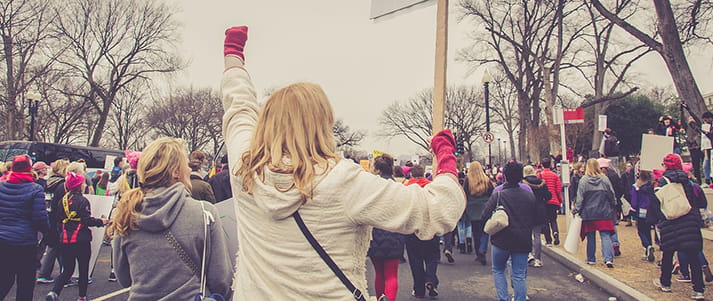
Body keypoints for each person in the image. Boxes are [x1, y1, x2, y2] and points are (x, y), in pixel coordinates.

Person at [221, 26, 465, 301]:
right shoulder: (342, 181)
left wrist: (234, 59)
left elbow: (238, 108)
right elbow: (440, 211)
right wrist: (445, 156)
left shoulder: (245, 171)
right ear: (323, 125)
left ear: (265, 123)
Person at [110, 137, 233, 300]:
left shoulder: (127, 213)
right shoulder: (204, 213)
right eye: (185, 165)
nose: (189, 170)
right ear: (175, 171)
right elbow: (221, 280)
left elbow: (124, 279)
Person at [45, 172, 109, 301]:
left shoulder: (63, 200)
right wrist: (100, 222)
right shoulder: (83, 201)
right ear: (79, 186)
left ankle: (54, 292)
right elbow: (86, 220)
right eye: (83, 183)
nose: (85, 184)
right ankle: (82, 296)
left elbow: (59, 219)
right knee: (83, 269)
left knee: (67, 269)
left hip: (65, 238)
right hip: (81, 239)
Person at [651, 154, 706, 300]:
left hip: (671, 220)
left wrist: (659, 219)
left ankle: (666, 283)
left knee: (668, 254)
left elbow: (656, 202)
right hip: (689, 220)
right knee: (693, 255)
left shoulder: (662, 181)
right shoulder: (688, 180)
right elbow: (696, 200)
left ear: (666, 166)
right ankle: (698, 289)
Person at [482, 161, 537, 301]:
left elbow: (484, 215)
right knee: (519, 274)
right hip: (523, 239)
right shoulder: (529, 195)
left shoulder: (498, 195)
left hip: (502, 239)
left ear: (504, 176)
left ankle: (503, 298)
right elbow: (537, 218)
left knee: (498, 270)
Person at [0, 155, 50, 301]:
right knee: (25, 284)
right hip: (25, 242)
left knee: (4, 280)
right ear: (29, 168)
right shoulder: (35, 190)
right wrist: (47, 231)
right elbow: (39, 218)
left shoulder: (1, 187)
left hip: (3, 240)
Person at [367, 155, 406, 301]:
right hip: (394, 232)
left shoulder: (371, 188)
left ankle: (379, 298)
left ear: (377, 170)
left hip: (375, 232)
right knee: (391, 275)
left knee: (379, 274)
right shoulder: (398, 188)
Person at [403, 165, 443, 298]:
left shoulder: (406, 188)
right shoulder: (431, 187)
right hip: (430, 226)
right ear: (424, 174)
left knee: (416, 260)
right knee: (432, 257)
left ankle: (419, 290)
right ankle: (431, 279)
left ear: (412, 175)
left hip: (413, 229)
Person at [573, 158, 617, 268]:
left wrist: (576, 210)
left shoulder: (584, 180)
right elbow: (611, 194)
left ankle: (591, 258)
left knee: (590, 236)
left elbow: (580, 198)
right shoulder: (604, 179)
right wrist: (613, 204)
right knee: (605, 235)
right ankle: (608, 259)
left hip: (589, 212)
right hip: (604, 211)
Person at [37, 159, 70, 285]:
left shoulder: (48, 182)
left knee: (53, 246)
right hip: (57, 218)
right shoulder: (61, 185)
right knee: (56, 246)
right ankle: (58, 274)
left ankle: (53, 273)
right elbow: (61, 204)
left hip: (47, 215)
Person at [462, 161, 494, 266]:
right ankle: (482, 250)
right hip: (485, 208)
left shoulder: (468, 180)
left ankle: (478, 252)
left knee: (476, 232)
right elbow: (492, 194)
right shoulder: (486, 180)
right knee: (485, 231)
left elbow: (464, 193)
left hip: (472, 209)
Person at [522, 165, 552, 268]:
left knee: (527, 233)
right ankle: (538, 258)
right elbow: (548, 196)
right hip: (539, 209)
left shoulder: (523, 183)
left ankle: (529, 254)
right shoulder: (541, 182)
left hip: (527, 209)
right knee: (537, 235)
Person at [598, 157, 624, 256]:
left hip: (602, 204)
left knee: (604, 228)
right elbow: (620, 188)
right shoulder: (614, 175)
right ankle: (615, 242)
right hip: (613, 203)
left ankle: (608, 247)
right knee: (612, 224)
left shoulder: (599, 177)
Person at [630, 170, 656, 262]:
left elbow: (634, 201)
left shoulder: (636, 187)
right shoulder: (650, 186)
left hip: (640, 210)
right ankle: (649, 246)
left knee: (641, 230)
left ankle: (647, 246)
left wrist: (632, 211)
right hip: (649, 210)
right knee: (647, 230)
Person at [539, 157, 562, 246]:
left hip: (544, 201)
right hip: (554, 200)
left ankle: (548, 240)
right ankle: (555, 232)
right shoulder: (555, 176)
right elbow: (558, 189)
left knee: (545, 221)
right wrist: (560, 201)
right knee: (553, 219)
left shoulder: (539, 175)